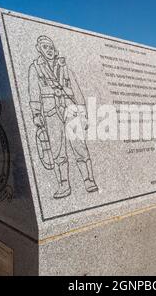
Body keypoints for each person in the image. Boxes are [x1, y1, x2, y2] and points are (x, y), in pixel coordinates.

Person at [28, 35, 98, 199]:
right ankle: (64, 185)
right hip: (51, 112)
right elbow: (33, 93)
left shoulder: (63, 65)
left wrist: (84, 114)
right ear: (39, 49)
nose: (49, 50)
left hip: (71, 111)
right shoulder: (35, 68)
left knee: (79, 147)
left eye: (51, 47)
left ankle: (89, 180)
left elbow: (76, 90)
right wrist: (37, 114)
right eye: (45, 47)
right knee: (57, 151)